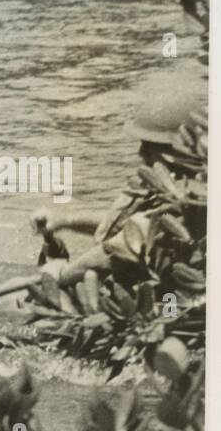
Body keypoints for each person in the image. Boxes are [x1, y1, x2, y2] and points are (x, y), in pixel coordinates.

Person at [31, 74, 206, 287]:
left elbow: (109, 253)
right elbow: (123, 225)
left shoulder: (179, 209)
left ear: (175, 151)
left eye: (150, 145)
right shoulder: (192, 189)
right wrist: (66, 221)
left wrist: (61, 274)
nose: (141, 153)